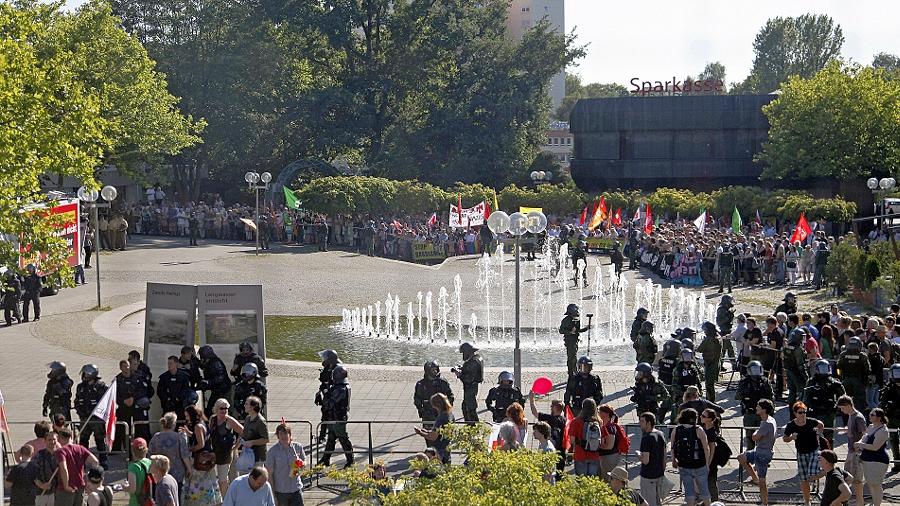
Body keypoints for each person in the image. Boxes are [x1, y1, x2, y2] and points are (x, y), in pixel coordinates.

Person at [783, 401, 824, 506]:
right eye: (800, 412)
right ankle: (807, 501)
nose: (803, 414)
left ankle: (824, 473)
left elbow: (821, 424)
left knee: (812, 474)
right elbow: (785, 438)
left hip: (814, 450)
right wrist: (792, 437)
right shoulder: (791, 425)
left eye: (804, 412)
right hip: (801, 452)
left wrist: (819, 432)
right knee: (804, 479)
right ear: (795, 413)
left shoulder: (811, 421)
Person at [737, 399, 777, 506]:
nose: (756, 408)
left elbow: (754, 437)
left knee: (763, 482)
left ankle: (765, 503)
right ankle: (755, 479)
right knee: (741, 457)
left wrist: (756, 432)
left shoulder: (766, 423)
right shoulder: (769, 419)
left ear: (763, 410)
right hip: (759, 451)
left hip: (763, 454)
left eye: (758, 406)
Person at [181, 405, 223, 506]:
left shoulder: (197, 426)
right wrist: (189, 433)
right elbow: (201, 436)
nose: (187, 418)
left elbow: (201, 444)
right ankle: (211, 501)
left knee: (198, 482)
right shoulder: (203, 424)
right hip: (208, 457)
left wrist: (190, 449)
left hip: (200, 459)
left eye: (187, 416)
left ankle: (200, 502)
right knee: (209, 481)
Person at [670, 408, 710, 506]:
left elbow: (672, 446)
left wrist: (673, 460)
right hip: (699, 465)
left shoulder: (677, 429)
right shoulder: (698, 429)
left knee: (689, 491)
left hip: (684, 465)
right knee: (704, 489)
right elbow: (706, 448)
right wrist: (707, 464)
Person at [803, 360, 845, 447]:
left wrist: (837, 408)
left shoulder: (834, 383)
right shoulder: (812, 382)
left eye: (825, 368)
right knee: (814, 435)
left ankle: (828, 456)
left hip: (828, 413)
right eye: (822, 368)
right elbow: (806, 399)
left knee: (828, 436)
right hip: (815, 412)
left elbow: (843, 398)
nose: (824, 371)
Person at [74, 364, 109, 469]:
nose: (83, 376)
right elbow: (77, 401)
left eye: (85, 373)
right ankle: (81, 460)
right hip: (84, 418)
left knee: (99, 440)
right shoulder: (81, 387)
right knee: (83, 440)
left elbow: (104, 403)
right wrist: (80, 411)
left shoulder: (101, 387)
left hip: (96, 419)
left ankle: (104, 461)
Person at [318, 365, 354, 468]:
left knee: (343, 439)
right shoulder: (340, 387)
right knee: (331, 438)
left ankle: (350, 461)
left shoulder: (341, 389)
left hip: (338, 418)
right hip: (334, 417)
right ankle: (326, 459)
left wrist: (325, 393)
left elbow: (329, 403)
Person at [54, 427, 100, 506]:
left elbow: (64, 468)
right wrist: (89, 480)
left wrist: (66, 485)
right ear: (70, 437)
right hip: (80, 486)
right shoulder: (80, 448)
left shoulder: (61, 451)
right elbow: (95, 461)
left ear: (60, 438)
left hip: (66, 489)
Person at [149, 412, 192, 494]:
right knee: (176, 495)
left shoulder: (156, 437)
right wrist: (189, 469)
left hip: (160, 471)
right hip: (177, 473)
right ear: (174, 424)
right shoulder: (179, 437)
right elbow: (184, 455)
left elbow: (150, 454)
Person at [208, 398, 244, 495]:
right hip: (214, 452)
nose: (224, 411)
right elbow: (209, 434)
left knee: (222, 479)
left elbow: (243, 432)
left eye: (226, 408)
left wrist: (237, 445)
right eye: (221, 408)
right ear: (216, 409)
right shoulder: (212, 419)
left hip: (226, 453)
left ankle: (226, 499)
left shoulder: (230, 420)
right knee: (212, 478)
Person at [735, 360, 773, 451]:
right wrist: (744, 393)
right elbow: (737, 396)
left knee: (763, 438)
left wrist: (770, 412)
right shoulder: (744, 382)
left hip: (762, 415)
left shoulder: (765, 382)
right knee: (749, 437)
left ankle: (762, 458)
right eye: (754, 370)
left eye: (757, 370)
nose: (756, 372)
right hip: (750, 413)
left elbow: (771, 398)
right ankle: (749, 458)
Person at [265, 422, 306, 506]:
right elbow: (269, 475)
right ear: (277, 436)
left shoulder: (298, 447)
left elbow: (304, 460)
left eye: (286, 433)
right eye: (281, 434)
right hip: (281, 492)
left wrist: (302, 463)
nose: (284, 436)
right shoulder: (272, 452)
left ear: (290, 435)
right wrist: (273, 496)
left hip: (296, 489)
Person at [856, 408, 890, 506]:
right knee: (871, 483)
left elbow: (875, 447)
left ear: (879, 417)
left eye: (872, 415)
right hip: (866, 459)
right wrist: (858, 443)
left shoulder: (883, 430)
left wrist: (861, 445)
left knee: (876, 484)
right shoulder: (870, 426)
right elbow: (864, 438)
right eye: (870, 414)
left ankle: (877, 505)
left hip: (878, 460)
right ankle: (875, 503)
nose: (870, 416)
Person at [837, 395, 866, 506]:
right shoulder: (851, 415)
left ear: (848, 405)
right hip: (851, 452)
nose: (841, 410)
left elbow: (865, 434)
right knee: (848, 477)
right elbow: (854, 431)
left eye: (842, 408)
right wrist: (845, 430)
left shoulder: (858, 417)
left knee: (857, 480)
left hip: (856, 453)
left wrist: (859, 446)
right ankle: (847, 500)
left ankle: (859, 502)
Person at [528, 392, 566, 478]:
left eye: (551, 406)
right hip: (562, 453)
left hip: (550, 452)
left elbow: (535, 413)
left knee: (548, 476)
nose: (550, 408)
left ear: (555, 407)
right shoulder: (565, 420)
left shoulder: (550, 418)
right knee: (559, 478)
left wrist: (531, 400)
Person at [637, 412, 668, 506]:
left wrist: (638, 454)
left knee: (649, 502)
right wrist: (662, 470)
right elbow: (664, 455)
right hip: (659, 474)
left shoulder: (646, 438)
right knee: (658, 501)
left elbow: (645, 461)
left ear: (649, 423)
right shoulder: (660, 434)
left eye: (642, 421)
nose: (640, 424)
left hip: (648, 475)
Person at [413, 393, 454, 463]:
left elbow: (433, 437)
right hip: (447, 446)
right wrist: (427, 431)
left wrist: (420, 433)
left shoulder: (441, 418)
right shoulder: (450, 414)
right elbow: (438, 432)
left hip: (439, 449)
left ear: (436, 405)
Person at [413, 361, 454, 426]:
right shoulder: (421, 384)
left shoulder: (442, 382)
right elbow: (417, 399)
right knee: (429, 433)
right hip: (428, 413)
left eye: (436, 369)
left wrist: (447, 408)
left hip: (441, 412)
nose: (435, 371)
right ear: (428, 371)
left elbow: (450, 396)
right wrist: (422, 411)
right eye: (433, 370)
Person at [568, 398, 602, 476]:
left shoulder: (575, 422)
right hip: (594, 455)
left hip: (580, 455)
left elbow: (572, 440)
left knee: (581, 483)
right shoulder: (599, 422)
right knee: (592, 482)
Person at [451, 342, 483, 424]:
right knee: (466, 406)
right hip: (471, 387)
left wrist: (459, 374)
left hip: (471, 387)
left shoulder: (474, 362)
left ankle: (472, 427)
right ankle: (471, 426)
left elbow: (468, 379)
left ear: (468, 352)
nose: (463, 355)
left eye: (464, 353)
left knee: (469, 407)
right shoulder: (475, 358)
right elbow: (469, 370)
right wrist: (461, 368)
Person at [837, 336, 870, 413]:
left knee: (845, 399)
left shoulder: (843, 354)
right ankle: (859, 414)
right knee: (860, 400)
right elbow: (867, 370)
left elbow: (838, 367)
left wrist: (840, 377)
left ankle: (843, 413)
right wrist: (864, 381)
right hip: (858, 381)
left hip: (846, 380)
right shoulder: (862, 356)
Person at [315, 349, 341, 442]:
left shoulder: (336, 370)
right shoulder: (329, 368)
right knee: (325, 416)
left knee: (328, 416)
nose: (323, 360)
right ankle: (323, 436)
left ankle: (330, 436)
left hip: (332, 398)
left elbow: (334, 384)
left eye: (325, 358)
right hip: (327, 396)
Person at [198, 346, 232, 417]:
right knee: (211, 409)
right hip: (217, 390)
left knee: (221, 409)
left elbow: (220, 377)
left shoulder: (215, 362)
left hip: (223, 390)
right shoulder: (209, 361)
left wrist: (209, 382)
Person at [783, 329, 810, 413]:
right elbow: (800, 365)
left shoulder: (787, 346)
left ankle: (791, 409)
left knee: (791, 391)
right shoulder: (798, 349)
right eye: (802, 337)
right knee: (800, 392)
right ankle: (799, 410)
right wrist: (806, 377)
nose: (803, 339)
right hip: (797, 373)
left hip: (789, 371)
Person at [879, 363, 900, 471]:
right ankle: (897, 463)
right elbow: (882, 404)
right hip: (892, 418)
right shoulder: (888, 388)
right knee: (894, 440)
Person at [559, 304, 590, 377]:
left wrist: (586, 328)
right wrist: (570, 332)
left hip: (575, 340)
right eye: (576, 310)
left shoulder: (576, 319)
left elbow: (577, 331)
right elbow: (561, 330)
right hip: (569, 341)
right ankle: (571, 373)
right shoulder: (566, 320)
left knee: (574, 356)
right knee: (571, 357)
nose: (577, 312)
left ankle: (574, 371)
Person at [29, 430, 59, 506]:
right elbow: (32, 474)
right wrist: (41, 485)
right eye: (49, 440)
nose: (52, 442)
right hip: (41, 493)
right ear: (44, 441)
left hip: (58, 492)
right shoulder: (39, 455)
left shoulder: (61, 454)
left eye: (54, 439)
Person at [597, 404, 625, 482]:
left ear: (605, 414)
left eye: (599, 412)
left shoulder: (609, 427)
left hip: (609, 457)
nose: (598, 414)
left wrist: (598, 446)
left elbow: (609, 446)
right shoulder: (608, 426)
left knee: (607, 480)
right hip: (610, 457)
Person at [696, 322, 722, 401]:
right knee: (711, 384)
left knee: (709, 385)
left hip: (710, 364)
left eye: (705, 330)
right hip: (717, 363)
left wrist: (695, 346)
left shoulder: (708, 339)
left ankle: (710, 402)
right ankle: (710, 400)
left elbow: (700, 349)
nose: (704, 331)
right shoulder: (718, 337)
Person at [241, 396, 270, 466]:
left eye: (246, 404)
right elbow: (244, 435)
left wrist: (252, 442)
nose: (244, 405)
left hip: (258, 457)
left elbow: (266, 439)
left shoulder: (260, 421)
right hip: (247, 455)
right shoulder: (247, 418)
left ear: (253, 407)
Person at [125, 437, 152, 506]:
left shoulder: (133, 467)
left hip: (136, 502)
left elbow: (132, 490)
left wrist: (124, 487)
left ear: (133, 451)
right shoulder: (150, 463)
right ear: (146, 450)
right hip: (149, 501)